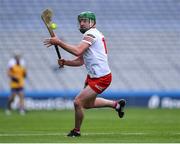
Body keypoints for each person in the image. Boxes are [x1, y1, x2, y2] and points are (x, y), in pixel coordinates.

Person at [44, 11, 126, 137]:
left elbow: (77, 51)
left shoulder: (91, 34)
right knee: (87, 104)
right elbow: (81, 60)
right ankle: (116, 105)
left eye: (85, 21)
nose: (81, 23)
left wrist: (59, 42)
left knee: (77, 102)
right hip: (93, 76)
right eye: (80, 21)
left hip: (101, 78)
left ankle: (76, 131)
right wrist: (66, 62)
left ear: (92, 23)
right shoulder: (91, 35)